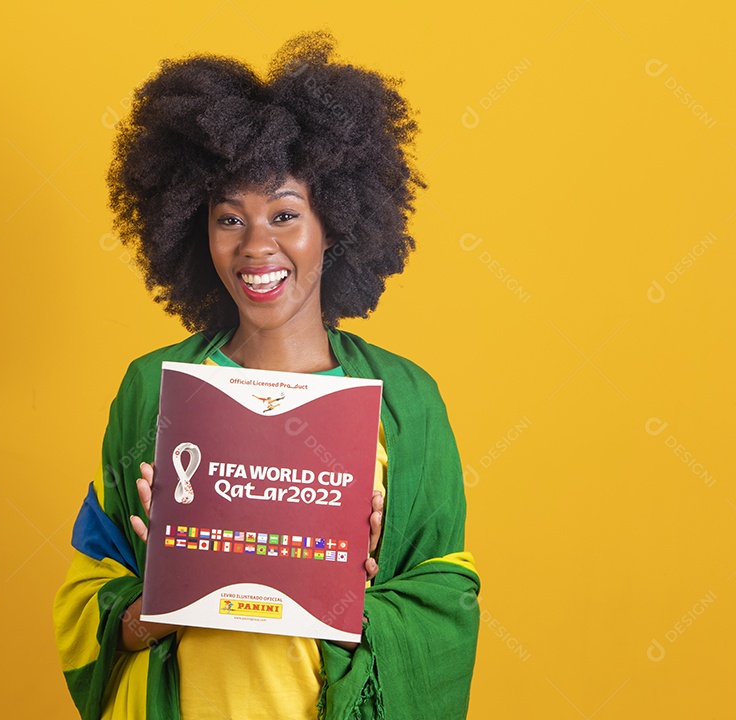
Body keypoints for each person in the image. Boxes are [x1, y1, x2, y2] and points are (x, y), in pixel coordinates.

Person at [54, 31, 481, 720]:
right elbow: (88, 595)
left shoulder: (407, 402)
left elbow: (444, 598)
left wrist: (355, 596)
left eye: (285, 214)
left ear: (335, 224)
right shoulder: (152, 388)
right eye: (230, 219)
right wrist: (157, 598)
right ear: (196, 229)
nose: (257, 246)